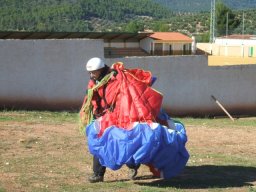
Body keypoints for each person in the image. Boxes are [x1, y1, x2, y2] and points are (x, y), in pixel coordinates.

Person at [81, 57, 140, 183]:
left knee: (123, 142)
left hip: (119, 115)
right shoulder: (94, 81)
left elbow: (125, 94)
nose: (91, 75)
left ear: (101, 69)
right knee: (99, 143)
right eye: (90, 73)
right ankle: (98, 174)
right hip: (104, 116)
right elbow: (92, 95)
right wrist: (96, 109)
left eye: (94, 72)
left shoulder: (116, 77)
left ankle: (133, 165)